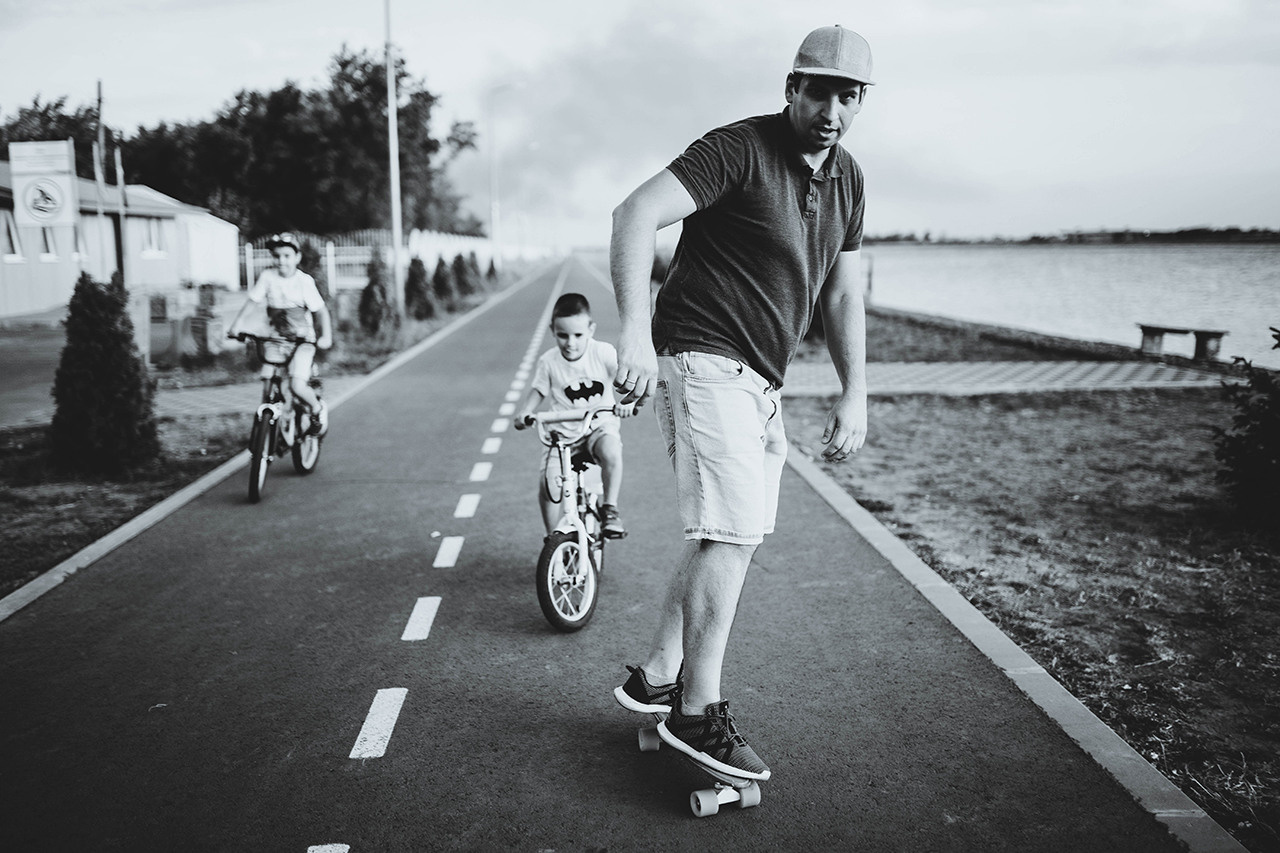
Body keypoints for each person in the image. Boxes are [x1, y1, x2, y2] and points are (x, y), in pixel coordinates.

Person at [609, 25, 874, 781]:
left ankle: (659, 672)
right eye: (818, 92)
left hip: (762, 378)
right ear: (792, 88)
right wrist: (632, 332)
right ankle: (698, 712)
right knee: (730, 532)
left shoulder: (849, 179)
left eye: (847, 96)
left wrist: (855, 389)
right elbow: (634, 214)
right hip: (703, 356)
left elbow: (843, 292)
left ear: (861, 101)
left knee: (733, 532)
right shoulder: (739, 149)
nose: (831, 110)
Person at [515, 292, 633, 538]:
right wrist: (526, 411)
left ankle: (610, 509)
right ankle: (552, 538)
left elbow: (623, 378)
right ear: (553, 331)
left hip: (598, 427)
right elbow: (539, 389)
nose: (571, 343)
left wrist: (627, 402)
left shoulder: (602, 352)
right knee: (548, 484)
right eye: (563, 335)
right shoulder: (549, 361)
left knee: (611, 451)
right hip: (561, 435)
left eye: (578, 335)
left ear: (591, 329)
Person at [227, 232, 333, 435]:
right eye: (276, 256)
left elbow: (321, 311)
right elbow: (253, 301)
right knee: (268, 380)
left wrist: (326, 337)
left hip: (302, 341)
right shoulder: (268, 277)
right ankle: (271, 423)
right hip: (275, 339)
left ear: (297, 257)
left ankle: (317, 409)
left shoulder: (304, 281)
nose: (281, 261)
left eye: (287, 256)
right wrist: (237, 325)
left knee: (296, 385)